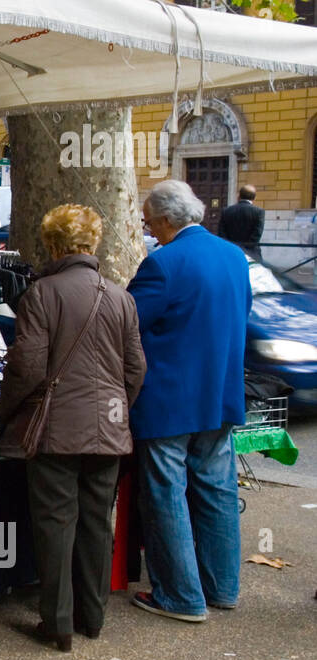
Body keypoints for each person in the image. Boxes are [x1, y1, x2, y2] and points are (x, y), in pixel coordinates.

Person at [0, 205, 146, 651]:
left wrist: (8, 411)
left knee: (55, 524)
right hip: (108, 430)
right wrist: (115, 410)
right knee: (98, 523)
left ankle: (58, 624)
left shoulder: (42, 293)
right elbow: (135, 369)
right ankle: (92, 618)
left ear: (53, 245)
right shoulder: (121, 296)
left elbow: (27, 367)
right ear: (92, 243)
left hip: (56, 430)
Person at [129, 180, 251, 623]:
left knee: (166, 494)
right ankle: (222, 587)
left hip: (170, 400)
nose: (149, 230)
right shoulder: (234, 257)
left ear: (165, 219)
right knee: (218, 490)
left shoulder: (162, 264)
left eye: (149, 222)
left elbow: (128, 324)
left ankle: (181, 595)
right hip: (219, 393)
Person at [218, 184, 265, 255]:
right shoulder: (259, 212)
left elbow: (221, 233)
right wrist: (246, 249)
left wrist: (231, 247)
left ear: (239, 196)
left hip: (231, 251)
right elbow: (257, 234)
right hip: (251, 252)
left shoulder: (226, 211)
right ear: (254, 198)